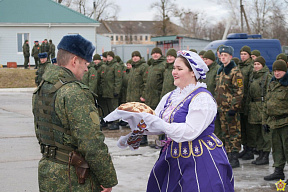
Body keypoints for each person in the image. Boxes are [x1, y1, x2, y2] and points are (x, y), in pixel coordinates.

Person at [106, 50, 234, 191]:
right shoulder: (170, 96)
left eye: (179, 69)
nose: (174, 72)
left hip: (199, 159)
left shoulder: (202, 98)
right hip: (172, 156)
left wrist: (161, 124)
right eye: (174, 68)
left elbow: (190, 131)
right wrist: (135, 133)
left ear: (193, 72)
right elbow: (156, 122)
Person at [32, 34, 118, 192]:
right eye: (85, 63)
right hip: (74, 178)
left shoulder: (43, 87)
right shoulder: (74, 92)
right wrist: (107, 178)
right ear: (74, 61)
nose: (87, 68)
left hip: (48, 172)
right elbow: (91, 142)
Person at [215, 45, 244, 168]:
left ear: (230, 57)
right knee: (225, 133)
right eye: (221, 55)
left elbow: (239, 91)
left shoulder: (235, 72)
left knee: (234, 133)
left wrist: (234, 108)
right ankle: (227, 154)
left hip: (231, 109)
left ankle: (234, 157)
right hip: (221, 108)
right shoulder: (221, 71)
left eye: (225, 55)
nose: (223, 57)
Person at [263, 60, 288, 182]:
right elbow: (267, 103)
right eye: (275, 71)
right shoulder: (272, 83)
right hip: (273, 122)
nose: (277, 73)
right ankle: (278, 171)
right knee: (277, 149)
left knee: (287, 148)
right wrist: (265, 121)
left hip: (285, 122)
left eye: (279, 71)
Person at [246, 56, 272, 165]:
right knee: (256, 132)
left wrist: (267, 109)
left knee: (264, 133)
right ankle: (260, 153)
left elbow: (269, 94)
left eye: (258, 64)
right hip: (253, 108)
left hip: (262, 107)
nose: (256, 66)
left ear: (263, 65)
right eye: (255, 64)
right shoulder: (252, 76)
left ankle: (265, 155)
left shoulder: (267, 77)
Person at [142, 47, 166, 145]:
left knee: (160, 119)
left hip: (158, 97)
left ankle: (162, 140)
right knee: (146, 118)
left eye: (157, 53)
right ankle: (143, 138)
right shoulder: (150, 66)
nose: (155, 55)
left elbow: (164, 83)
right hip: (149, 97)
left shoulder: (163, 65)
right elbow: (146, 82)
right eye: (153, 53)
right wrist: (144, 95)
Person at [237, 45, 254, 161]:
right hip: (240, 100)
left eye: (245, 54)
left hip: (247, 99)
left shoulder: (251, 67)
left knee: (249, 128)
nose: (243, 56)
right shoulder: (239, 66)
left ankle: (251, 150)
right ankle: (246, 148)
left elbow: (249, 85)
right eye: (241, 54)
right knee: (242, 126)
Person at [201, 50, 221, 139]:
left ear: (212, 59)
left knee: (216, 125)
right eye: (204, 59)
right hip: (205, 101)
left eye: (207, 59)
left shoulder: (217, 69)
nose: (205, 61)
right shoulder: (205, 71)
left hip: (214, 101)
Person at [101, 51, 122, 130]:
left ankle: (116, 122)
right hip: (107, 91)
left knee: (114, 107)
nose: (109, 58)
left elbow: (118, 79)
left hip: (113, 91)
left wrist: (116, 90)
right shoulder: (105, 66)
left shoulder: (116, 66)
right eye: (108, 56)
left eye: (110, 56)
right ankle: (110, 121)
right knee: (109, 108)